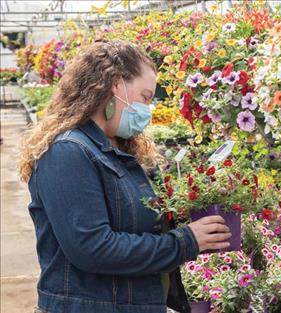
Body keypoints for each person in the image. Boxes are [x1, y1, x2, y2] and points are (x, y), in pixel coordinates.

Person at [18, 40, 231, 313]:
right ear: (116, 85)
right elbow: (93, 248)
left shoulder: (118, 147)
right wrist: (185, 241)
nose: (148, 109)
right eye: (145, 97)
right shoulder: (67, 151)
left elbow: (133, 222)